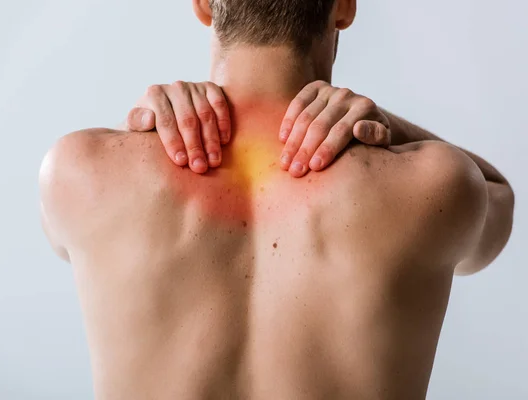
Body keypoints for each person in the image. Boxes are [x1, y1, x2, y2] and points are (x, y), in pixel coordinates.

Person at [39, 0, 515, 398]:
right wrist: (382, 123)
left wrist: (142, 121)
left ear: (204, 5)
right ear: (344, 7)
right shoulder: (435, 184)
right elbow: (499, 195)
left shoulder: (80, 169)